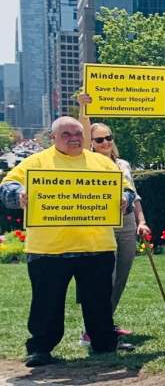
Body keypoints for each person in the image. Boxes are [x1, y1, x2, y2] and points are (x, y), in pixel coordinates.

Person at [1, 117, 136, 367]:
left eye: (78, 133)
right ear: (52, 138)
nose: (74, 138)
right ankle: (40, 348)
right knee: (46, 302)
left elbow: (128, 190)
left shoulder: (102, 163)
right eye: (66, 134)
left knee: (98, 301)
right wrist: (18, 194)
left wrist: (125, 200)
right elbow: (6, 186)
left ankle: (104, 341)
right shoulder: (35, 162)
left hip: (96, 246)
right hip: (49, 249)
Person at [76, 93, 151, 340]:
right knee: (104, 276)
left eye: (109, 137)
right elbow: (83, 133)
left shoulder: (124, 164)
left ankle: (105, 322)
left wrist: (141, 221)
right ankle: (93, 329)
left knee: (122, 273)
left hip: (127, 221)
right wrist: (84, 109)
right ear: (91, 142)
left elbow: (135, 195)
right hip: (102, 224)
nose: (106, 142)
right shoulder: (87, 162)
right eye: (99, 139)